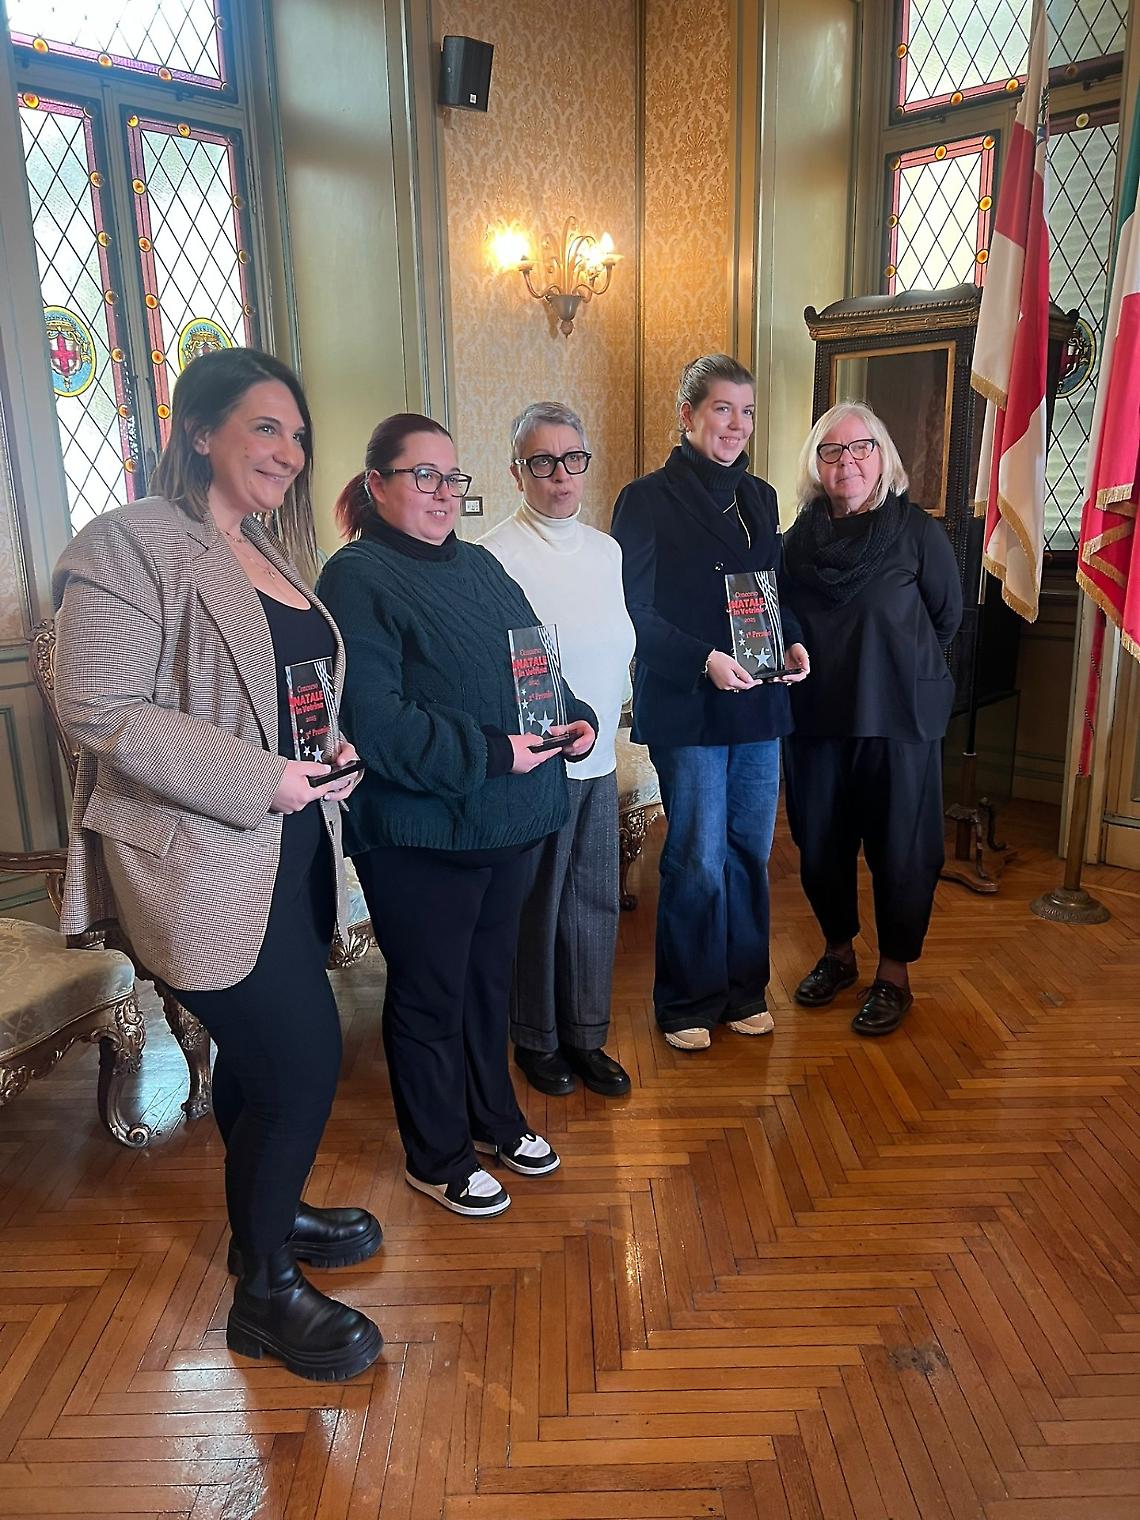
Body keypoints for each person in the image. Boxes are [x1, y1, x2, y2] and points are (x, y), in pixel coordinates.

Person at [52, 347, 383, 1383]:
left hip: (289, 845)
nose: (288, 451)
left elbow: (282, 692)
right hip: (196, 857)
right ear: (200, 431)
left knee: (256, 1059)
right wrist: (261, 776)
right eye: (264, 427)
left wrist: (323, 750)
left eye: (298, 435)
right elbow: (98, 707)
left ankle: (265, 1220)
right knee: (301, 1061)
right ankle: (264, 1297)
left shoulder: (265, 548)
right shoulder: (129, 541)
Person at [316, 414, 597, 1218]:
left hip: (508, 822)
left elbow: (533, 666)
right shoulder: (356, 576)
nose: (443, 493)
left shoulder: (478, 565)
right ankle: (436, 1156)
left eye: (452, 478)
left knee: (485, 984)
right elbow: (377, 721)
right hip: (421, 833)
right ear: (377, 485)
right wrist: (494, 751)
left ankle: (493, 1120)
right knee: (431, 995)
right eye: (424, 477)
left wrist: (572, 715)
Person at [610, 354, 810, 1051]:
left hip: (758, 702)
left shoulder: (761, 497)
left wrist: (792, 641)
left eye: (746, 411)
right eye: (722, 409)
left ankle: (744, 989)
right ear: (687, 414)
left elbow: (772, 590)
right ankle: (686, 1000)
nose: (736, 424)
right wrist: (703, 661)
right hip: (689, 702)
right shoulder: (645, 499)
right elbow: (631, 609)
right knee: (697, 855)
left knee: (748, 850)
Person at [781, 401, 962, 1036]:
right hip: (815, 719)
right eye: (832, 450)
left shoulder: (917, 532)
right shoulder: (795, 544)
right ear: (816, 464)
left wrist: (892, 667)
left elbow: (946, 618)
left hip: (898, 719)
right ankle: (838, 954)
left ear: (883, 458)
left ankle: (893, 974)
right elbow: (781, 618)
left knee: (903, 852)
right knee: (820, 847)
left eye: (861, 448)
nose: (848, 461)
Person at [480, 402, 636, 1099]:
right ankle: (537, 1040)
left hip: (598, 757)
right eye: (542, 462)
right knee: (537, 909)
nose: (560, 474)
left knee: (594, 902)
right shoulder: (493, 556)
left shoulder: (607, 551)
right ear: (518, 472)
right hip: (537, 764)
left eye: (572, 458)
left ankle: (586, 1035)